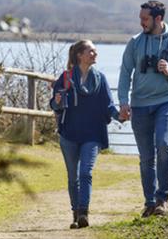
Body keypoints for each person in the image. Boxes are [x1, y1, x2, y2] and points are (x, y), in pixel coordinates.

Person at [118, 1, 168, 218]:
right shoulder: (134, 43)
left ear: (158, 19)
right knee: (146, 157)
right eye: (140, 18)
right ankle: (150, 202)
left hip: (166, 102)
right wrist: (123, 102)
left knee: (163, 144)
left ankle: (163, 198)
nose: (141, 22)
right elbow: (125, 73)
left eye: (145, 18)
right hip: (139, 105)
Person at [50, 39, 123, 229]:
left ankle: (84, 213)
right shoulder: (65, 77)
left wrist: (120, 116)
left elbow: (109, 106)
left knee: (85, 173)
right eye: (91, 51)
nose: (95, 54)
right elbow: (54, 105)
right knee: (72, 177)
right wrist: (57, 101)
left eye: (95, 51)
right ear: (79, 55)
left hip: (93, 134)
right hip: (69, 135)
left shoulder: (101, 79)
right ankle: (75, 214)